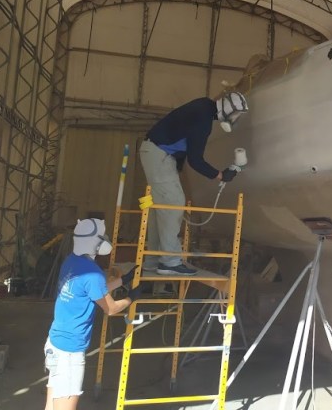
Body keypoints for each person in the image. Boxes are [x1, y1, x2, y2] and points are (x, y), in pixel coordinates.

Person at [139, 92, 248, 276]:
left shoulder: (203, 107)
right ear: (227, 108)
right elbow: (195, 160)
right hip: (159, 154)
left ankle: (153, 260)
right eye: (235, 114)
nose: (234, 119)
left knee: (161, 208)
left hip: (155, 153)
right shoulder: (203, 120)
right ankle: (169, 262)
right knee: (173, 203)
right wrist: (220, 175)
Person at [44, 218, 139, 410]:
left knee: (52, 405)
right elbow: (110, 308)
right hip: (70, 352)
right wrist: (131, 298)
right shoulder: (93, 273)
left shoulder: (71, 261)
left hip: (55, 343)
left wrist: (123, 281)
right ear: (97, 242)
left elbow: (93, 291)